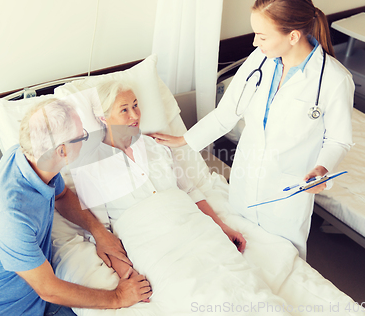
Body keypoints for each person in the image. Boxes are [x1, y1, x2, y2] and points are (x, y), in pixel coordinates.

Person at [150, 0, 354, 260]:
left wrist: (322, 167)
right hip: (245, 183)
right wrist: (182, 141)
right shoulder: (260, 60)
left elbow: (339, 139)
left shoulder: (333, 79)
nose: (255, 43)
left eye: (261, 36)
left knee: (282, 264)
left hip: (286, 195)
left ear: (292, 36)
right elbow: (227, 113)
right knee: (239, 254)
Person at [58, 81, 294, 315]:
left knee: (244, 284)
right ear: (102, 118)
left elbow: (190, 191)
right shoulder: (89, 164)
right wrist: (127, 275)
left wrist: (222, 226)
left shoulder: (155, 145)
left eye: (136, 105)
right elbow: (100, 231)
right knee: (191, 295)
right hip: (151, 243)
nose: (135, 114)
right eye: (124, 109)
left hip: (195, 228)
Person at [0, 98, 152, 316]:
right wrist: (118, 297)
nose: (85, 139)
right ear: (62, 151)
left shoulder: (32, 159)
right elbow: (49, 290)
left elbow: (62, 196)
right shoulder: (8, 217)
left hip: (34, 300)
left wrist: (99, 232)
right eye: (81, 135)